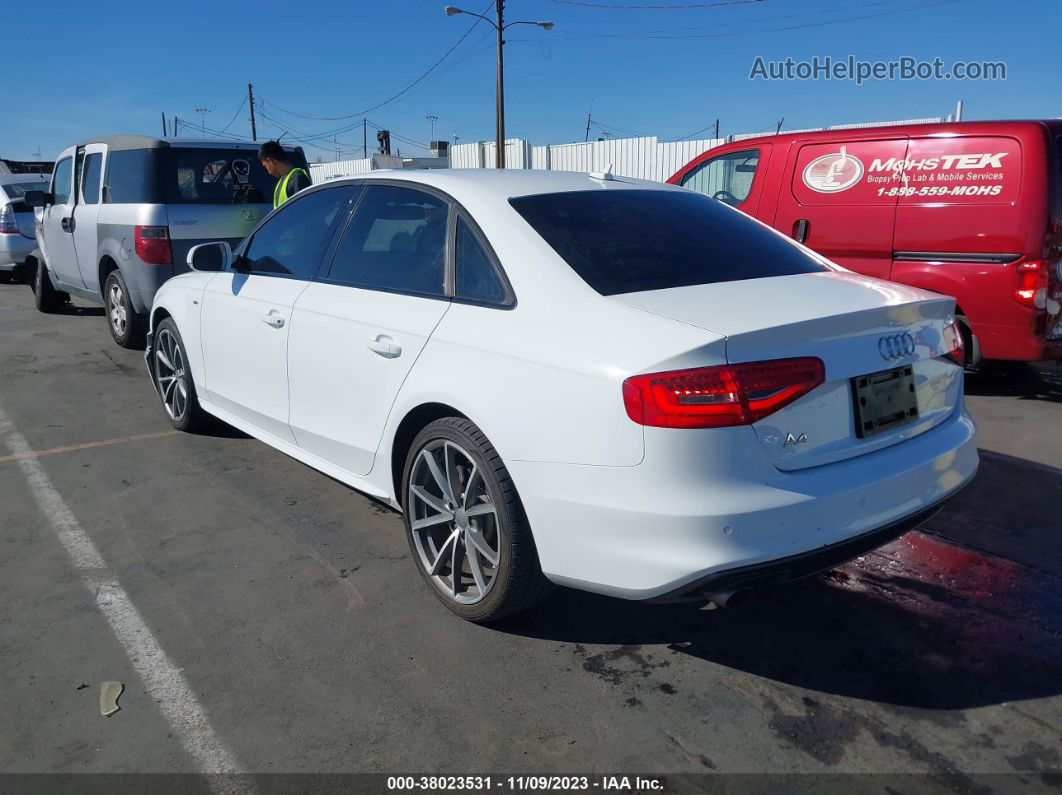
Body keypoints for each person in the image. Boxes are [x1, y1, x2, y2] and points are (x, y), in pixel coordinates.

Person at [258, 141, 311, 209]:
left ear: (271, 161)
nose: (268, 172)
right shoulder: (281, 182)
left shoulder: (298, 179)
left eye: (266, 167)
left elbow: (305, 210)